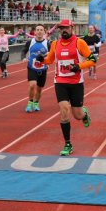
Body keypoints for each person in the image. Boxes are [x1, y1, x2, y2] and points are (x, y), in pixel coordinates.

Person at [35, 19, 97, 156]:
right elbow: (50, 60)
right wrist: (42, 60)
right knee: (64, 111)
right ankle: (68, 143)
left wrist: (78, 67)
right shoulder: (55, 44)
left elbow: (93, 60)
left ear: (71, 28)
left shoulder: (79, 43)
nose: (64, 30)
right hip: (60, 82)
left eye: (66, 28)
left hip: (76, 83)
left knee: (77, 115)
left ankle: (84, 114)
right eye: (61, 28)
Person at [21, 24, 50, 112]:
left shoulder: (47, 43)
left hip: (43, 69)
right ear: (35, 32)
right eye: (37, 30)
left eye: (41, 30)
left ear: (44, 32)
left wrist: (47, 56)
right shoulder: (30, 42)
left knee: (39, 89)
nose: (39, 31)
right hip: (32, 68)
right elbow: (24, 50)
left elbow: (51, 54)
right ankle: (30, 103)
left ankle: (36, 102)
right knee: (32, 85)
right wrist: (23, 57)